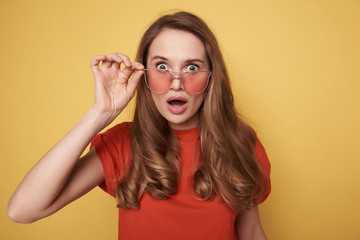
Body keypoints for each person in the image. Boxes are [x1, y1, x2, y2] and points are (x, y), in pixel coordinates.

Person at [8, 11, 271, 240]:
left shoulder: (240, 142)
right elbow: (22, 211)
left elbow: (251, 233)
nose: (176, 83)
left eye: (192, 67)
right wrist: (101, 112)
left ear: (211, 77)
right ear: (142, 74)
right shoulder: (123, 143)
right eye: (162, 66)